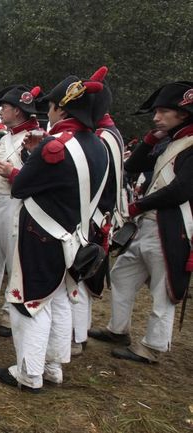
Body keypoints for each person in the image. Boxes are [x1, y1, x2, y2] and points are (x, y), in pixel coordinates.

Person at [0, 72, 109, 392]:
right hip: (71, 234)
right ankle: (53, 367)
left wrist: (30, 159)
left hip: (41, 234)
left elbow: (22, 187)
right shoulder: (97, 144)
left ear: (62, 110)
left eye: (53, 107)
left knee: (29, 303)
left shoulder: (55, 146)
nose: (50, 112)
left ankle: (29, 374)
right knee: (58, 300)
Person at [88, 81, 193, 364]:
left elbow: (181, 190)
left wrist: (137, 206)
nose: (156, 117)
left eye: (163, 112)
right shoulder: (171, 141)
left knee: (163, 290)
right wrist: (149, 139)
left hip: (174, 226)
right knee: (122, 273)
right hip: (150, 224)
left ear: (183, 114)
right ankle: (118, 329)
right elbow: (132, 166)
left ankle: (152, 347)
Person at [0, 85, 45, 337]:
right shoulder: (2, 138)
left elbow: (40, 179)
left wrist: (13, 174)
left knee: (15, 261)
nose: (0, 112)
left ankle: (9, 310)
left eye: (4, 107)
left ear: (17, 110)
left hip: (16, 205)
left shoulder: (37, 138)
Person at [71, 67, 125, 357]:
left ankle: (76, 337)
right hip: (97, 214)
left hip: (90, 214)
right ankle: (77, 334)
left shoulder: (101, 137)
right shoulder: (108, 132)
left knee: (78, 277)